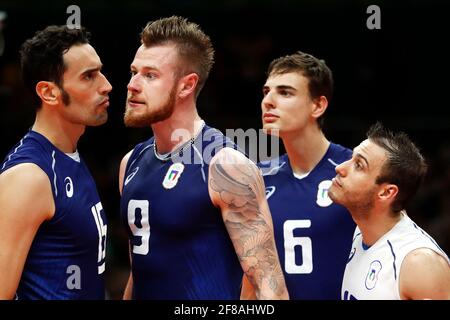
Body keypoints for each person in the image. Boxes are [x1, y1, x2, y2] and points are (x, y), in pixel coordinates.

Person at [119, 16, 288, 300]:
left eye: (150, 75)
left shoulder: (225, 166)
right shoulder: (131, 163)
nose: (132, 84)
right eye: (134, 72)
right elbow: (140, 272)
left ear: (186, 86)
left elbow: (270, 288)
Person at [0, 25, 112, 299]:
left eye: (100, 71)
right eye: (89, 77)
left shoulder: (68, 154)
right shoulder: (28, 176)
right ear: (49, 93)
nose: (106, 85)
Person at [241, 51, 356, 300]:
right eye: (266, 92)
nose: (268, 101)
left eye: (285, 92)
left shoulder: (353, 170)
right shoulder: (258, 177)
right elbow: (251, 277)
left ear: (318, 105)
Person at [328, 122, 450, 300]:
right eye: (351, 159)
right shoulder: (362, 230)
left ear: (386, 192)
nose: (340, 167)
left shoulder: (419, 263)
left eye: (359, 165)